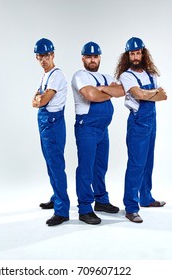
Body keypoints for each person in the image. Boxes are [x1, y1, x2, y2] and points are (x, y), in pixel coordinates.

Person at [114, 37, 168, 223]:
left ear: (143, 53)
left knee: (148, 162)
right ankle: (130, 206)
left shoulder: (150, 73)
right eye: (132, 54)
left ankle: (146, 197)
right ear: (127, 55)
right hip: (137, 123)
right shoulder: (126, 75)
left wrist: (149, 94)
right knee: (136, 164)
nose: (135, 57)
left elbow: (164, 96)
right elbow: (139, 94)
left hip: (151, 121)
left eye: (138, 53)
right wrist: (153, 93)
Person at [71, 41, 125, 225]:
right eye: (89, 56)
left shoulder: (106, 75)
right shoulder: (79, 76)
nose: (92, 60)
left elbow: (121, 90)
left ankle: (101, 200)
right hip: (87, 127)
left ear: (99, 57)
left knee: (100, 167)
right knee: (86, 168)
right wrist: (107, 92)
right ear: (83, 58)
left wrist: (104, 90)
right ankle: (85, 208)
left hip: (103, 128)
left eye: (95, 56)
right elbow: (91, 96)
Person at [32, 38, 70, 226]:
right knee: (50, 164)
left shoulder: (56, 75)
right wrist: (38, 99)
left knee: (56, 165)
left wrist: (39, 99)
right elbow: (34, 99)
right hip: (45, 124)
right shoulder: (45, 75)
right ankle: (57, 197)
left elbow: (42, 101)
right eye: (39, 57)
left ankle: (62, 210)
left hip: (53, 125)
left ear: (53, 55)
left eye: (46, 56)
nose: (43, 60)